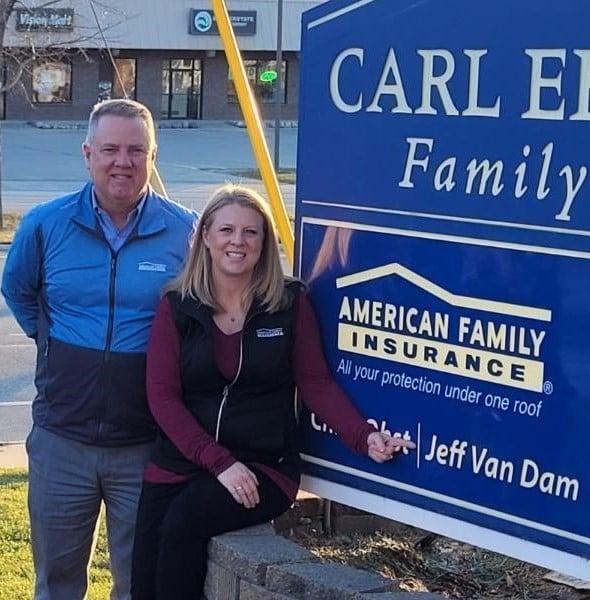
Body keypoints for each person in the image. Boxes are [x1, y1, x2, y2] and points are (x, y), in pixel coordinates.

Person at [130, 184, 416, 599]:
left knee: (185, 521)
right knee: (146, 575)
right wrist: (219, 462)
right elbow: (162, 397)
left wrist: (363, 436)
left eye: (251, 232)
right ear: (206, 236)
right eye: (227, 230)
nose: (238, 242)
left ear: (264, 242)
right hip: (184, 462)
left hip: (263, 464)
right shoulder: (177, 305)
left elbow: (315, 382)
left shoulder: (288, 302)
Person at [1, 99, 196, 600]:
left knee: (138, 585)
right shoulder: (46, 225)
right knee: (57, 584)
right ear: (88, 153)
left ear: (154, 156)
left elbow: (204, 314)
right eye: (110, 149)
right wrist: (53, 345)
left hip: (146, 442)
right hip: (61, 440)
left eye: (136, 150)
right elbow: (19, 289)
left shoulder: (185, 232)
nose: (122, 162)